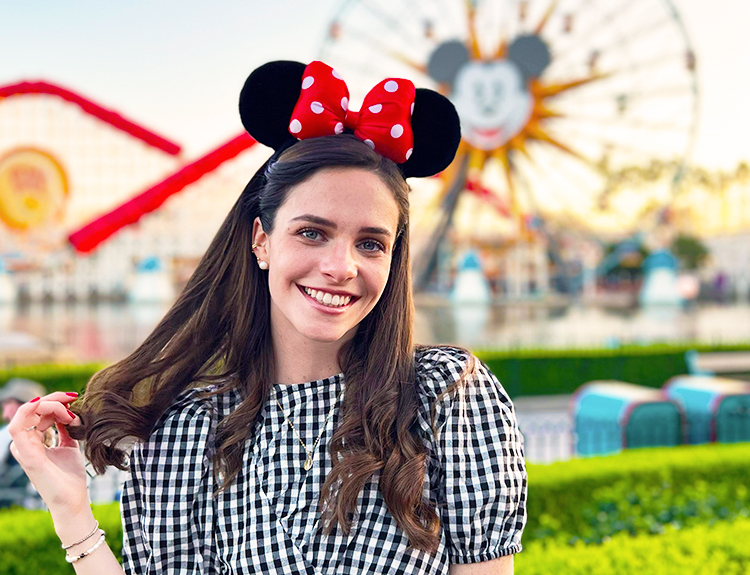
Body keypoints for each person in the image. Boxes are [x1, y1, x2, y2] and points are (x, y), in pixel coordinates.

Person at [8, 61, 527, 574]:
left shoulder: (446, 397)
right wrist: (71, 510)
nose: (340, 267)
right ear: (261, 239)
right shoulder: (188, 427)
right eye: (312, 232)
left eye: (370, 243)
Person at [0, 377, 46, 507]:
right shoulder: (46, 434)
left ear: (17, 406)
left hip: (20, 503)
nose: (3, 406)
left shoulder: (9, 436)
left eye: (6, 402)